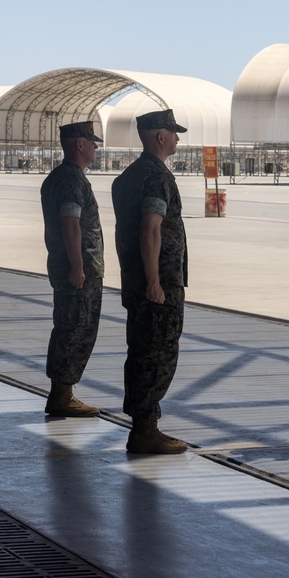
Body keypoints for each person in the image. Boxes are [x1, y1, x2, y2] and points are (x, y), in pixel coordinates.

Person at [111, 109, 189, 454]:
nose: (177, 139)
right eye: (173, 133)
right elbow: (150, 228)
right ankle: (145, 430)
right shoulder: (157, 178)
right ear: (160, 137)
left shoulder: (127, 177)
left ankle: (143, 426)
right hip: (158, 285)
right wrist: (154, 281)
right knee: (157, 354)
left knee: (141, 351)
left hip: (136, 281)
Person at [40, 120, 105, 417]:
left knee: (68, 327)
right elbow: (71, 225)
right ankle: (62, 395)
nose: (94, 147)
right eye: (92, 142)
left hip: (67, 265)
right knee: (75, 329)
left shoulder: (61, 177)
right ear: (79, 145)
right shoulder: (72, 180)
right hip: (77, 270)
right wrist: (78, 266)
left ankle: (61, 392)